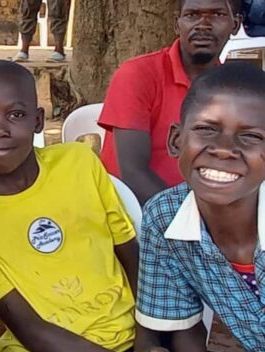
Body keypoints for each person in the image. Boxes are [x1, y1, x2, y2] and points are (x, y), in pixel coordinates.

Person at [0, 60, 177, 352]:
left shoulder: (79, 163)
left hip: (130, 336)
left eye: (16, 114)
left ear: (38, 120)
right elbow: (29, 328)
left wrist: (147, 339)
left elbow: (132, 257)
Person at [134, 62, 265, 352]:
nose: (224, 150)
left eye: (250, 136)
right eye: (206, 129)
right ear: (176, 141)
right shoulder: (165, 218)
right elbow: (182, 324)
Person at [98, 0, 240, 204]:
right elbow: (132, 172)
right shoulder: (137, 74)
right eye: (192, 15)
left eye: (217, 15)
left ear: (235, 25)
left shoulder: (233, 86)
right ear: (177, 24)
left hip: (210, 205)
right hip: (139, 211)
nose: (203, 24)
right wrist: (193, 217)